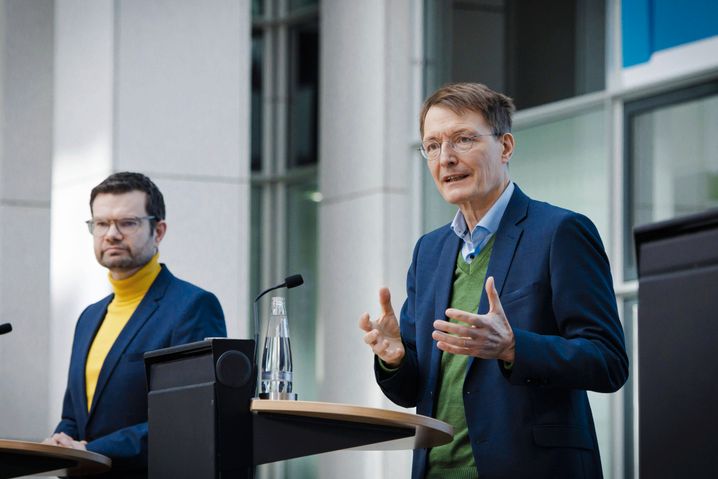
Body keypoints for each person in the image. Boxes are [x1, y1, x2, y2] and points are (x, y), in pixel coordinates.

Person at [359, 83, 628, 479]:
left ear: (505, 147)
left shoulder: (560, 232)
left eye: (462, 139)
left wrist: (514, 347)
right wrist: (395, 358)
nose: (445, 158)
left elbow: (608, 361)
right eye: (432, 146)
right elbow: (411, 390)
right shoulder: (429, 251)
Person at [44, 172, 226, 478]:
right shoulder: (89, 317)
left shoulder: (191, 306)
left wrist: (91, 451)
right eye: (101, 223)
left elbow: (189, 416)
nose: (111, 234)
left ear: (159, 231)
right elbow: (74, 416)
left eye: (127, 223)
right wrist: (61, 443)